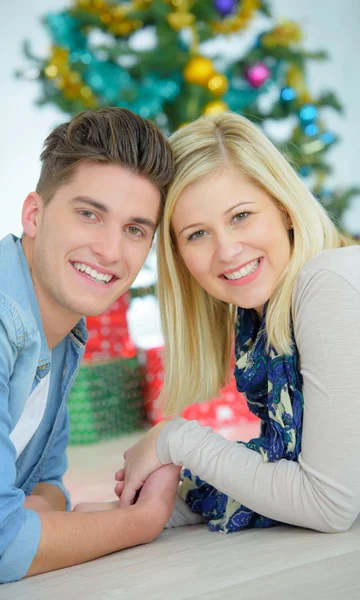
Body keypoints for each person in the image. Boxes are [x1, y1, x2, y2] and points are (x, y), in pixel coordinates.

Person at [0, 107, 182, 587]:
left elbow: (47, 487)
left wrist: (28, 521)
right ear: (34, 214)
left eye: (135, 230)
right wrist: (138, 522)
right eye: (89, 214)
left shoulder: (60, 332)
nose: (109, 250)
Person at [117, 111, 360, 535]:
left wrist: (176, 440)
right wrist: (148, 509)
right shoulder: (262, 323)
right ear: (179, 256)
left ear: (285, 209)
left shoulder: (328, 283)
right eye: (197, 234)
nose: (227, 250)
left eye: (241, 216)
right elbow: (283, 473)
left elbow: (328, 504)